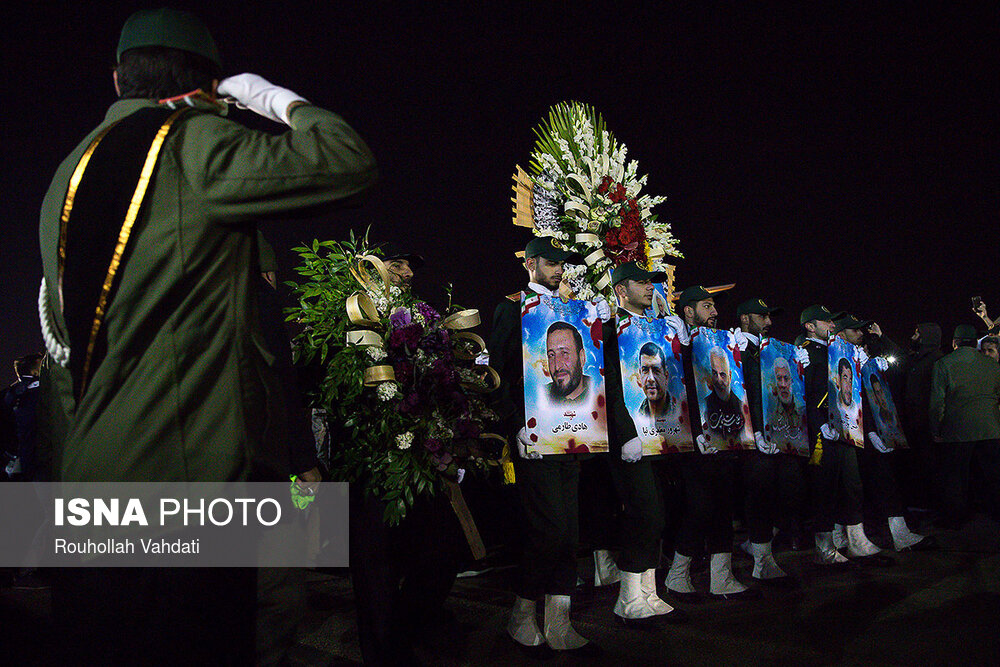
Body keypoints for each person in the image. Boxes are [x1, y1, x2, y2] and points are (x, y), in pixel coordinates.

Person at [36, 9, 377, 663]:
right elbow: (347, 158)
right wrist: (271, 99)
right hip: (184, 488)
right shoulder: (192, 142)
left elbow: (61, 352)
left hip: (92, 485)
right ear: (205, 86)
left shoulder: (64, 177)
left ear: (117, 80)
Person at [489, 237, 600, 655]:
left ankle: (559, 620)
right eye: (551, 263)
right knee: (548, 529)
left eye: (562, 264)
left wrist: (599, 325)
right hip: (535, 438)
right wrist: (515, 426)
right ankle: (521, 613)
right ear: (530, 264)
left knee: (569, 530)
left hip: (572, 435)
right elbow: (496, 375)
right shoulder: (512, 309)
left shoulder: (572, 313)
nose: (559, 270)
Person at [596, 261, 686, 625]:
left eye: (653, 282)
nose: (650, 287)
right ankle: (628, 595)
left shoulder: (660, 327)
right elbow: (612, 383)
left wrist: (682, 338)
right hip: (629, 438)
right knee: (643, 511)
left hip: (662, 435)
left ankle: (648, 590)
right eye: (641, 282)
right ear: (620, 290)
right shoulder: (612, 327)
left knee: (660, 512)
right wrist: (626, 433)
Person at [664, 286, 756, 601]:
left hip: (725, 441)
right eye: (706, 306)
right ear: (688, 311)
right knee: (699, 508)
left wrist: (747, 353)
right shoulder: (675, 341)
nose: (714, 312)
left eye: (714, 305)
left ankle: (722, 577)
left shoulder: (719, 344)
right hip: (692, 443)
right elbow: (676, 386)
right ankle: (677, 574)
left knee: (723, 506)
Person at [801, 306, 892, 566]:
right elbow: (806, 392)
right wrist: (819, 424)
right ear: (809, 325)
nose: (831, 324)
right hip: (822, 432)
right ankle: (824, 546)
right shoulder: (807, 351)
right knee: (824, 487)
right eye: (825, 320)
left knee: (852, 484)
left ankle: (856, 538)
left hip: (846, 426)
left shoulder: (834, 351)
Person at [837, 315, 934, 553]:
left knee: (884, 479)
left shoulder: (865, 354)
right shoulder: (839, 359)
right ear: (841, 334)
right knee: (852, 485)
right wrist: (870, 430)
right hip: (851, 434)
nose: (861, 333)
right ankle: (843, 537)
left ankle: (896, 532)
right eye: (855, 330)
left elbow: (900, 367)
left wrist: (883, 339)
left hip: (875, 430)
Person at [733, 298, 808, 581]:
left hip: (781, 432)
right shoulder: (737, 346)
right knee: (759, 493)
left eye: (769, 315)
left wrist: (801, 366)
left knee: (792, 489)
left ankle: (756, 543)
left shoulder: (776, 350)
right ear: (744, 319)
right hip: (751, 435)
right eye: (761, 316)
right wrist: (754, 430)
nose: (768, 321)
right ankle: (762, 558)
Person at [930, 324, 1000, 527]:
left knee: (955, 479)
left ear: (954, 343)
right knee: (993, 476)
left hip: (957, 431)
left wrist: (936, 429)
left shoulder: (944, 364)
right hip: (992, 429)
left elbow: (937, 403)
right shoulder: (992, 364)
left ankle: (955, 519)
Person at [545, 322, 592, 406]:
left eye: (564, 353)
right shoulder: (538, 396)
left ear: (581, 357)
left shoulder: (600, 390)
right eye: (551, 355)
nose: (557, 366)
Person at [638, 342, 676, 419]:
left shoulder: (679, 414)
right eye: (645, 370)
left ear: (666, 376)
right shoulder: (637, 418)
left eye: (656, 370)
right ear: (640, 375)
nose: (650, 378)